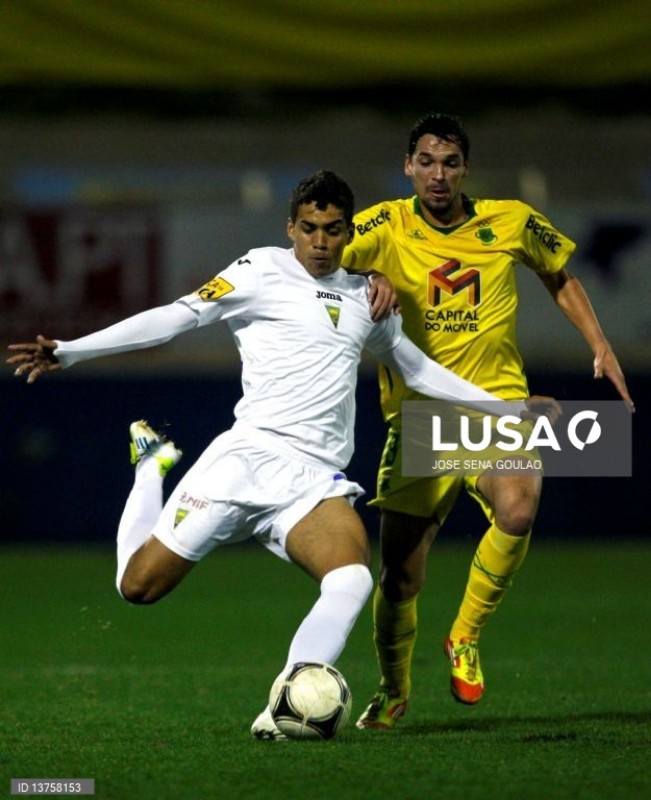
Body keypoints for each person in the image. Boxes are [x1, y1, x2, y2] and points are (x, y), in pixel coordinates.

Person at [7, 170, 557, 741]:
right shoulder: (258, 270)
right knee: (137, 588)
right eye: (310, 228)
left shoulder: (365, 298)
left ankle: (288, 702)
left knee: (351, 578)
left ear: (348, 233)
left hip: (312, 482)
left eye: (333, 230)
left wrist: (509, 410)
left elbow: (417, 370)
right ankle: (151, 466)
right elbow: (176, 316)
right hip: (244, 464)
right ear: (290, 227)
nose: (320, 241)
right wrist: (72, 351)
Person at [341, 113, 635, 729]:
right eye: (426, 162)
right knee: (399, 578)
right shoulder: (384, 224)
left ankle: (465, 635)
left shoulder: (510, 220)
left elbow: (558, 274)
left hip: (495, 406)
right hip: (421, 420)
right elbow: (319, 261)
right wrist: (368, 275)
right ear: (408, 167)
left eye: (450, 163)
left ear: (465, 169)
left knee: (520, 506)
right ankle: (393, 689)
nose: (438, 175)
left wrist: (600, 344)